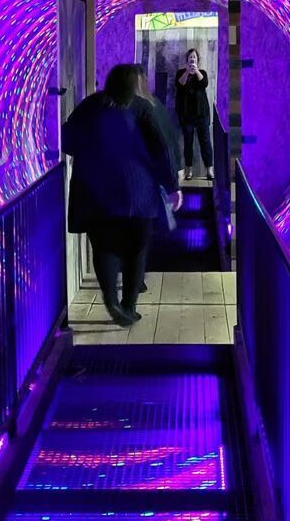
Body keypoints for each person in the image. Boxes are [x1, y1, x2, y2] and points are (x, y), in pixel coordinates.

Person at [63, 64, 181, 326]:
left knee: (105, 248)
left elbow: (67, 140)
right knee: (136, 249)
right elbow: (160, 148)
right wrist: (172, 186)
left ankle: (112, 302)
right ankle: (129, 304)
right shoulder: (141, 108)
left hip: (96, 193)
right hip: (137, 194)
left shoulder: (90, 105)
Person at [175, 47, 213, 181]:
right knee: (188, 143)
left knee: (205, 142)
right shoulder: (181, 73)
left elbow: (204, 83)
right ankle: (189, 171)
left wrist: (196, 71)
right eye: (190, 57)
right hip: (186, 115)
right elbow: (180, 84)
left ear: (197, 60)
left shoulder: (202, 72)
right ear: (187, 60)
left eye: (194, 57)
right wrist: (187, 72)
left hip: (201, 114)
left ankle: (209, 170)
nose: (192, 59)